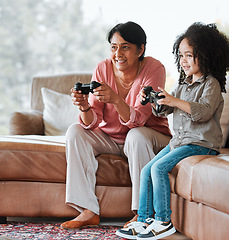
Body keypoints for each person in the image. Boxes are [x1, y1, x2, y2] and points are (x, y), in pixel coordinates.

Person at [116, 22, 229, 239]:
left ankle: (163, 221)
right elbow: (164, 111)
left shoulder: (211, 85)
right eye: (181, 56)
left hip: (201, 143)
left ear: (205, 55)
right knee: (146, 170)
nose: (183, 61)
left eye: (189, 55)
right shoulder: (182, 84)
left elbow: (204, 112)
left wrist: (175, 100)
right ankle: (144, 220)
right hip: (179, 142)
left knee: (159, 168)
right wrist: (153, 100)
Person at [60, 21, 171, 229]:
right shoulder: (102, 68)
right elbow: (92, 121)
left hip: (149, 136)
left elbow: (139, 119)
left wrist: (116, 100)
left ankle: (142, 213)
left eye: (125, 47)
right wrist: (84, 107)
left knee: (136, 135)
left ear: (140, 50)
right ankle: (88, 210)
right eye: (113, 47)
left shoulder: (154, 69)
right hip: (111, 138)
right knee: (75, 131)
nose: (118, 53)